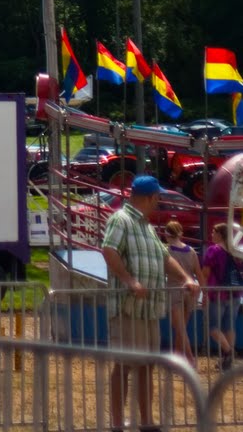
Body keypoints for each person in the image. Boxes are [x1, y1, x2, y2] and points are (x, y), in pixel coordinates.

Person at [102, 175, 199, 432]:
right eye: (157, 198)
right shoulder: (120, 219)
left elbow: (165, 258)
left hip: (149, 309)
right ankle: (116, 424)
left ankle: (146, 422)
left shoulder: (146, 227)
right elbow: (109, 250)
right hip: (128, 306)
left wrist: (186, 278)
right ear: (151, 197)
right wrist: (130, 281)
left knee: (146, 365)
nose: (158, 203)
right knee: (123, 365)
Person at [162, 219, 200, 364]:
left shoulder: (167, 251)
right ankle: (176, 357)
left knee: (179, 328)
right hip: (190, 291)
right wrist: (204, 291)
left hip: (175, 290)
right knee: (181, 327)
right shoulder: (191, 251)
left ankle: (190, 359)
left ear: (167, 234)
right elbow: (198, 272)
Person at [201, 221, 236, 369]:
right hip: (235, 293)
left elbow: (206, 272)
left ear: (220, 234)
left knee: (212, 326)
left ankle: (227, 352)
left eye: (214, 232)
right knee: (229, 326)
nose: (211, 234)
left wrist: (204, 292)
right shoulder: (234, 251)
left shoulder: (213, 251)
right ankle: (228, 359)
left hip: (217, 293)